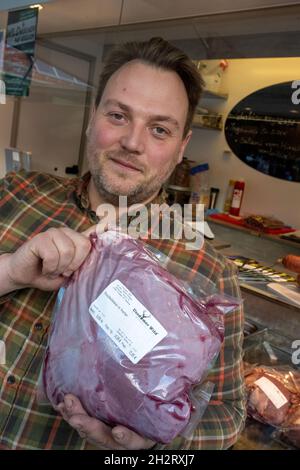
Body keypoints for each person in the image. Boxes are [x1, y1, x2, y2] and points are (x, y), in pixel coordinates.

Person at [0, 37, 246, 450]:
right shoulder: (16, 193)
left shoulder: (210, 272)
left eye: (159, 129)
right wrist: (9, 271)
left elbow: (228, 414)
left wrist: (154, 450)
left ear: (182, 146)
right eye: (118, 115)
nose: (133, 142)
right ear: (93, 116)